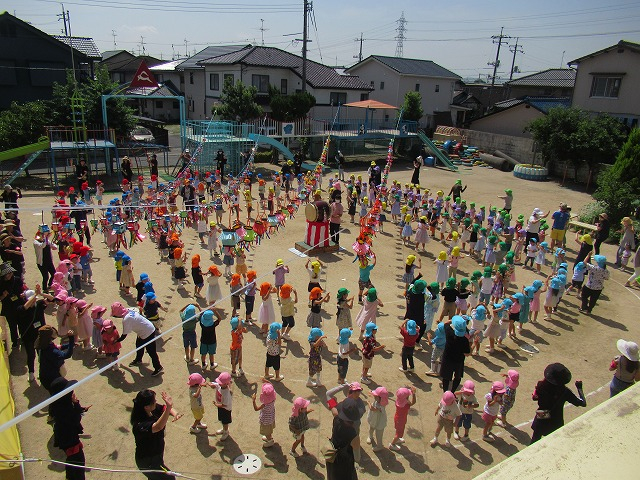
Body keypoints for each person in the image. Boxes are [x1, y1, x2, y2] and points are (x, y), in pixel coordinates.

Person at [131, 389, 181, 479]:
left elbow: (163, 408)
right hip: (148, 462)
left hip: (156, 456)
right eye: (154, 401)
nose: (156, 402)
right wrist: (169, 408)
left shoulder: (151, 409)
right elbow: (158, 427)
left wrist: (174, 413)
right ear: (146, 406)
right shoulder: (140, 425)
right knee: (169, 478)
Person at [530, 363, 586, 444]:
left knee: (535, 439)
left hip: (542, 414)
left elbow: (535, 397)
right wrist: (579, 388)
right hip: (555, 419)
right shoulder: (564, 392)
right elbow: (582, 403)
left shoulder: (541, 386)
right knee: (552, 442)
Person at [49, 377, 89, 480]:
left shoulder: (57, 404)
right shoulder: (65, 408)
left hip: (64, 437)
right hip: (69, 439)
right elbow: (75, 419)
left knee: (73, 463)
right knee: (77, 464)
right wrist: (76, 404)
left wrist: (80, 408)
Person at [111, 302, 164, 376]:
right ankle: (138, 360)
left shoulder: (126, 320)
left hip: (147, 333)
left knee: (151, 351)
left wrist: (117, 341)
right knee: (139, 345)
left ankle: (158, 367)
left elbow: (124, 335)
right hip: (144, 330)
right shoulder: (128, 310)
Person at [18, 287, 52, 382]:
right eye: (31, 300)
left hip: (40, 335)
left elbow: (51, 299)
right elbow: (25, 307)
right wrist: (35, 295)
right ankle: (31, 372)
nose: (34, 302)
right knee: (31, 355)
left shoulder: (39, 305)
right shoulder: (20, 308)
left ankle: (42, 372)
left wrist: (41, 294)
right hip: (28, 337)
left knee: (41, 354)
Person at [326, 397, 360, 480]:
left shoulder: (336, 419)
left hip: (331, 455)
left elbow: (333, 410)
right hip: (344, 464)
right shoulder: (354, 436)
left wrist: (331, 401)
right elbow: (357, 458)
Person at [440, 315, 471, 392]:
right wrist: (474, 344)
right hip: (459, 360)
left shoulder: (449, 332)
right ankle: (453, 391)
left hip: (447, 358)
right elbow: (467, 353)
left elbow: (446, 323)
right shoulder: (464, 340)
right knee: (457, 377)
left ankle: (445, 392)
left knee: (446, 377)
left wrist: (453, 320)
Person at [252, 381, 277, 447]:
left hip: (266, 420)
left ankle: (270, 441)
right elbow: (272, 385)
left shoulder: (264, 405)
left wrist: (253, 400)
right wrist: (266, 381)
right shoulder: (273, 399)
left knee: (267, 431)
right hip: (271, 417)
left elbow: (256, 409)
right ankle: (269, 437)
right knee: (269, 430)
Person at [366, 386, 388, 452]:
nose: (374, 397)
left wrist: (368, 403)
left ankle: (379, 446)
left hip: (379, 423)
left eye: (376, 396)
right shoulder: (378, 401)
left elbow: (372, 409)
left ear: (381, 398)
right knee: (371, 428)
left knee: (379, 435)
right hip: (374, 419)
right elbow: (372, 393)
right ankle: (370, 436)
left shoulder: (381, 406)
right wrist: (371, 393)